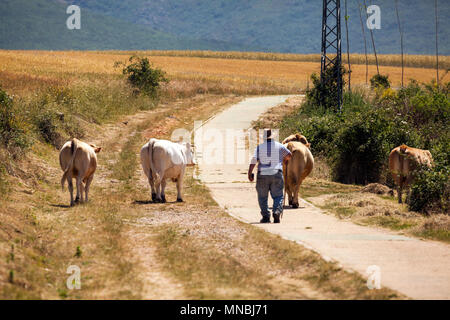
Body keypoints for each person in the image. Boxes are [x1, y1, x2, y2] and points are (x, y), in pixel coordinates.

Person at [248, 129, 292, 223]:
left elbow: (254, 160)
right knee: (278, 195)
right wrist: (284, 160)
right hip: (276, 172)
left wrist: (250, 172)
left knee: (262, 197)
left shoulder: (259, 147)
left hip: (262, 174)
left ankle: (265, 217)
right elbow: (289, 155)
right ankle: (276, 211)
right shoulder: (279, 146)